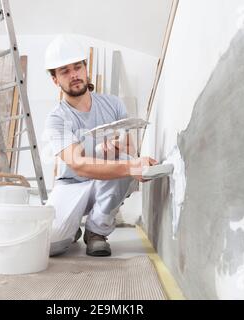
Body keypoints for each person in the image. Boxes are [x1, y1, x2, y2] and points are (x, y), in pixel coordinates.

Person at [44, 35, 157, 257]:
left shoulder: (113, 104)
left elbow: (130, 152)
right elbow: (78, 165)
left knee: (125, 160)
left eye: (77, 67)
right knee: (50, 245)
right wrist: (127, 166)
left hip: (105, 183)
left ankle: (96, 231)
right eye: (64, 71)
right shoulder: (56, 118)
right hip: (71, 185)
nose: (74, 74)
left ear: (86, 69)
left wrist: (119, 149)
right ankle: (71, 228)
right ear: (55, 80)